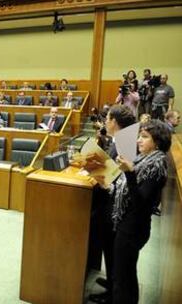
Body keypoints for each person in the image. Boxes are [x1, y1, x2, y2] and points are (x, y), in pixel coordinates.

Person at [112, 120, 171, 304]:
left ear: (158, 142)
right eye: (139, 136)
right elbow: (126, 190)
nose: (138, 140)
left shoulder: (157, 165)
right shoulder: (143, 159)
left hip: (133, 228)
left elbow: (140, 203)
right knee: (124, 273)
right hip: (128, 224)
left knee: (124, 277)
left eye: (144, 137)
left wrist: (129, 173)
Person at [87, 105, 136, 304]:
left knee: (113, 248)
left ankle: (113, 293)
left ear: (114, 121)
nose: (105, 121)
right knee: (109, 248)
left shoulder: (125, 140)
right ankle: (111, 282)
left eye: (107, 118)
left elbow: (119, 176)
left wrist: (94, 170)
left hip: (115, 207)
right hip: (112, 202)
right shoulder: (122, 138)